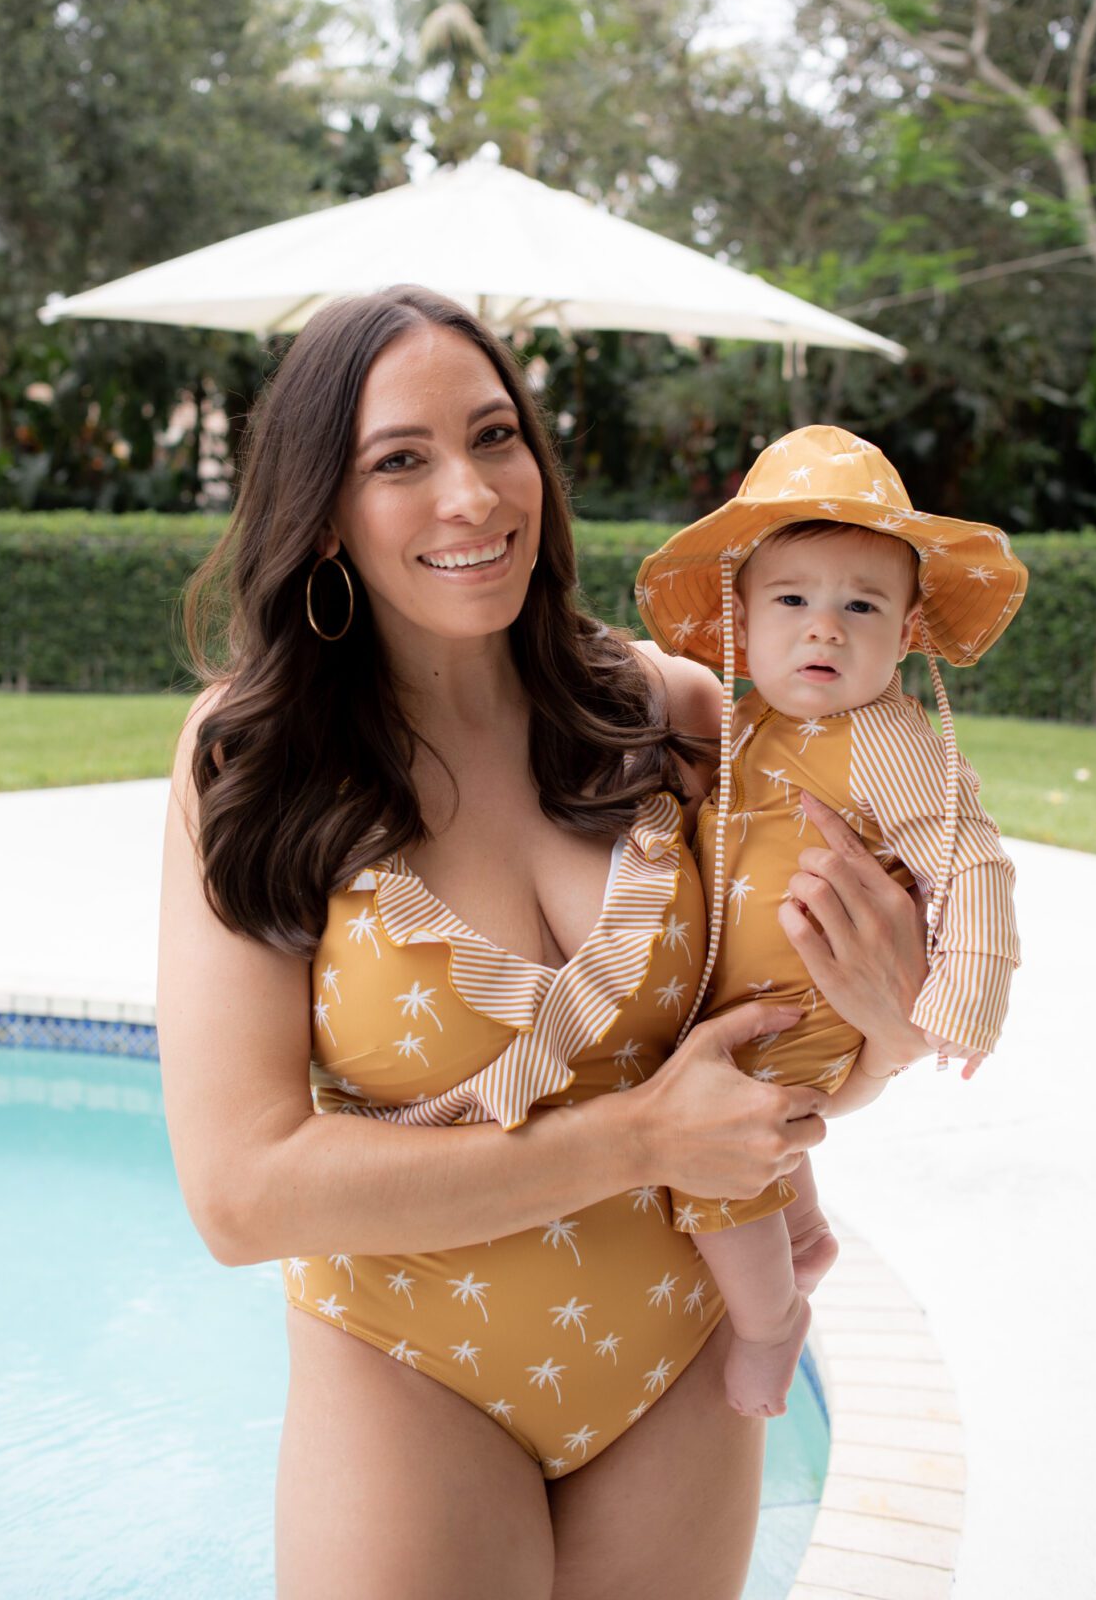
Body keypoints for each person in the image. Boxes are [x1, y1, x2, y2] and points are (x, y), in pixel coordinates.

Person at [156, 294, 934, 1600]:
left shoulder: (672, 718)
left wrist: (890, 1037)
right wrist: (637, 1141)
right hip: (411, 1368)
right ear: (322, 511)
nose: (470, 494)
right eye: (399, 460)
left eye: (496, 435)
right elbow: (240, 1193)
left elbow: (787, 1054)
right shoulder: (255, 760)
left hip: (682, 1355)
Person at [636, 423, 1026, 1418]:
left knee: (718, 1165)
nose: (824, 629)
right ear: (743, 621)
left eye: (860, 605)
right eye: (793, 601)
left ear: (904, 635)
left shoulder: (882, 734)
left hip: (804, 1006)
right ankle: (802, 1232)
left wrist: (964, 991)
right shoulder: (757, 718)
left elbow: (968, 853)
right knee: (755, 1128)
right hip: (760, 1000)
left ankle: (772, 1325)